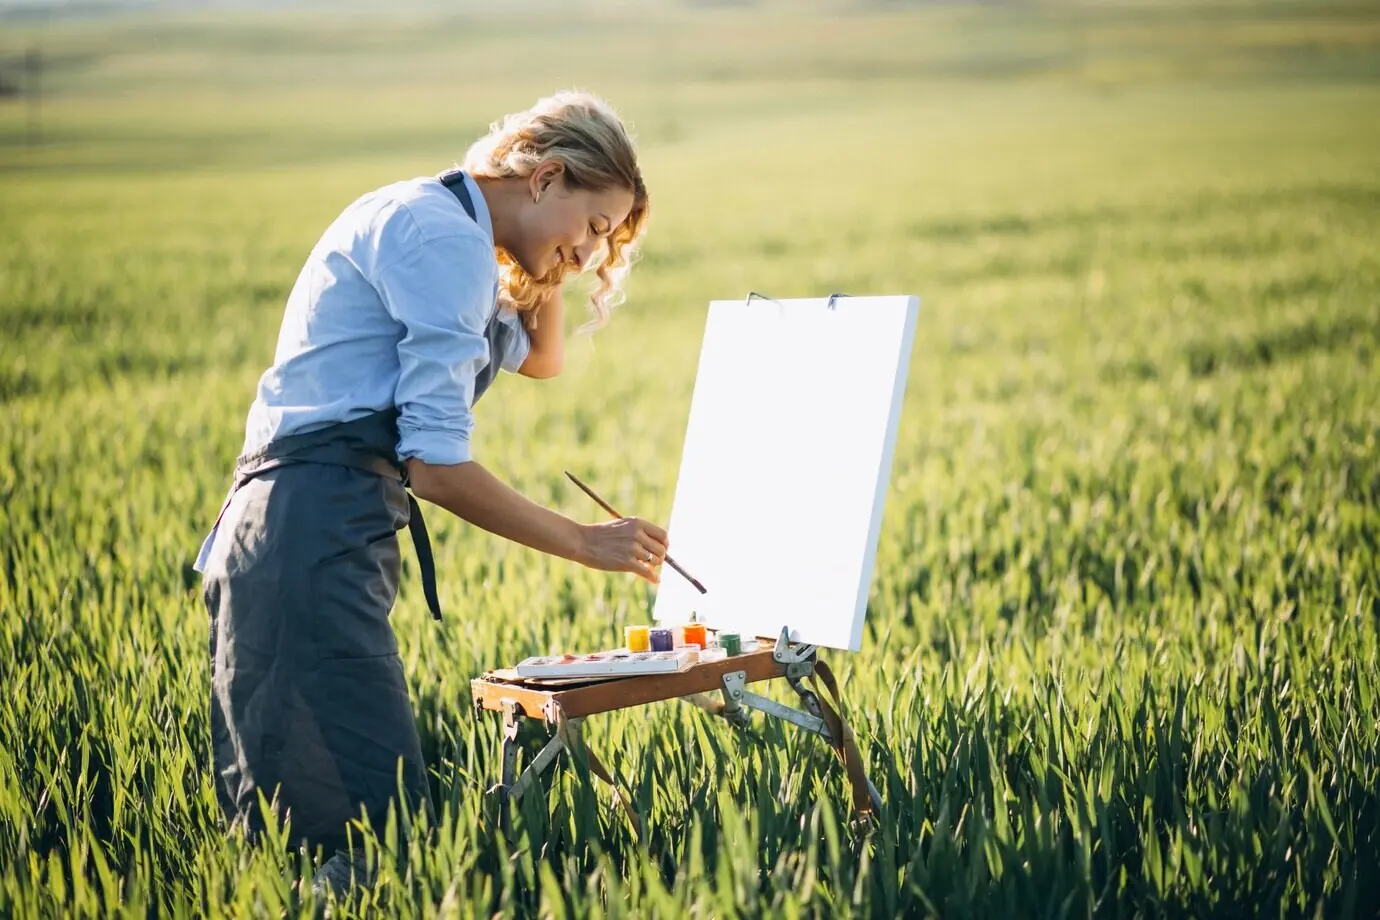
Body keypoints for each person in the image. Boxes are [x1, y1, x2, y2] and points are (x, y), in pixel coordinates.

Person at [193, 90, 664, 897]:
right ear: (547, 176)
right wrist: (586, 543)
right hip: (309, 531)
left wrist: (553, 256)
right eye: (593, 226)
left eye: (606, 240)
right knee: (374, 843)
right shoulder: (442, 240)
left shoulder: (443, 224)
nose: (592, 255)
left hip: (303, 530)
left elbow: (542, 359)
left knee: (326, 842)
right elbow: (437, 468)